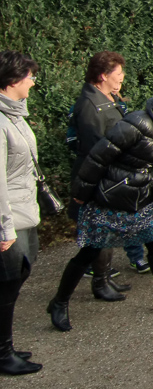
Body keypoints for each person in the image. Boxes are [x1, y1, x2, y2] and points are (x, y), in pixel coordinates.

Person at [48, 83, 153, 332]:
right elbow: (98, 156)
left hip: (139, 197)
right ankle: (59, 302)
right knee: (91, 250)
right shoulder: (136, 123)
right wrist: (80, 195)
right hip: (110, 197)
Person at [69, 51, 145, 299]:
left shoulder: (104, 98)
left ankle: (104, 280)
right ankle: (99, 284)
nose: (122, 79)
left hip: (109, 176)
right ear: (103, 75)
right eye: (118, 74)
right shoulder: (90, 105)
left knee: (109, 230)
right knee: (100, 231)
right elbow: (96, 149)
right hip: (100, 178)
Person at [0, 51, 43, 375]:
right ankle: (2, 355)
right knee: (6, 283)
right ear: (13, 79)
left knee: (19, 277)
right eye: (29, 76)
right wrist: (4, 229)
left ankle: (6, 347)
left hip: (23, 213)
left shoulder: (16, 116)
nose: (33, 81)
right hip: (9, 218)